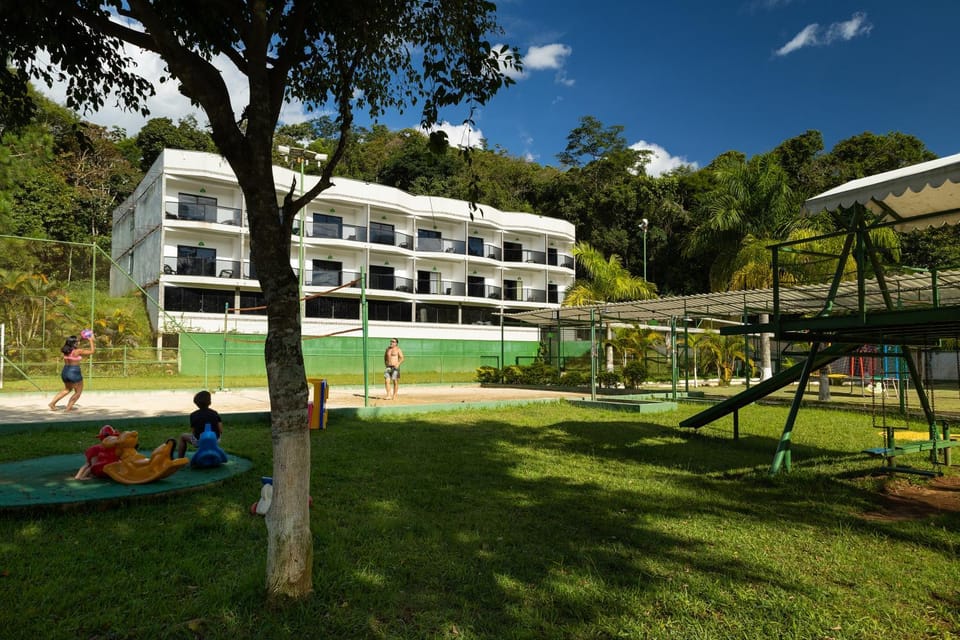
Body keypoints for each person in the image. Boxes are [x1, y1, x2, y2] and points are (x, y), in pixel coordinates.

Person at [49, 332, 95, 411]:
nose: (79, 342)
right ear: (74, 343)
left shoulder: (65, 351)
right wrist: (90, 340)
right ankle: (68, 408)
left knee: (67, 389)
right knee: (78, 392)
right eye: (77, 341)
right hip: (74, 372)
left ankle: (52, 403)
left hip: (65, 371)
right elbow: (92, 351)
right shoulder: (77, 351)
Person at [176, 390, 223, 459]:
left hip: (200, 441)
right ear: (209, 402)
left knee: (183, 436)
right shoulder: (214, 413)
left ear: (196, 403)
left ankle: (180, 458)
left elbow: (193, 432)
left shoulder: (193, 415)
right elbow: (221, 430)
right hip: (214, 440)